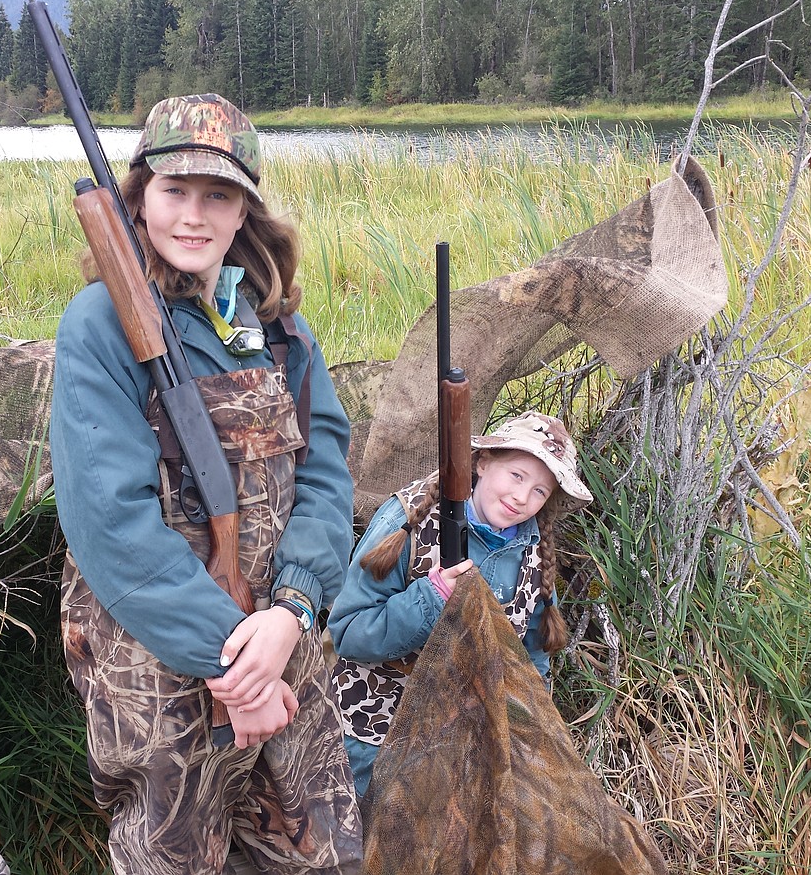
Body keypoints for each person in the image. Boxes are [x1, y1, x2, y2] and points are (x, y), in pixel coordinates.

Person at [49, 94, 362, 875]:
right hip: (158, 664)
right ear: (138, 199)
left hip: (282, 646)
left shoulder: (282, 330)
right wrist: (231, 665)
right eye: (173, 191)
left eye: (216, 194)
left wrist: (291, 611)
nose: (193, 215)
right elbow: (111, 526)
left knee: (315, 855)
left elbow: (325, 475)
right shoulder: (100, 327)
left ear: (244, 210)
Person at [328, 410, 593, 799]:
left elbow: (531, 662)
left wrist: (531, 732)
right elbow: (348, 632)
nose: (522, 498)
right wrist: (431, 597)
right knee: (360, 850)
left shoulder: (535, 551)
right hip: (373, 731)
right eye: (516, 475)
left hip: (459, 744)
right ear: (483, 463)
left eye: (540, 490)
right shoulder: (407, 524)